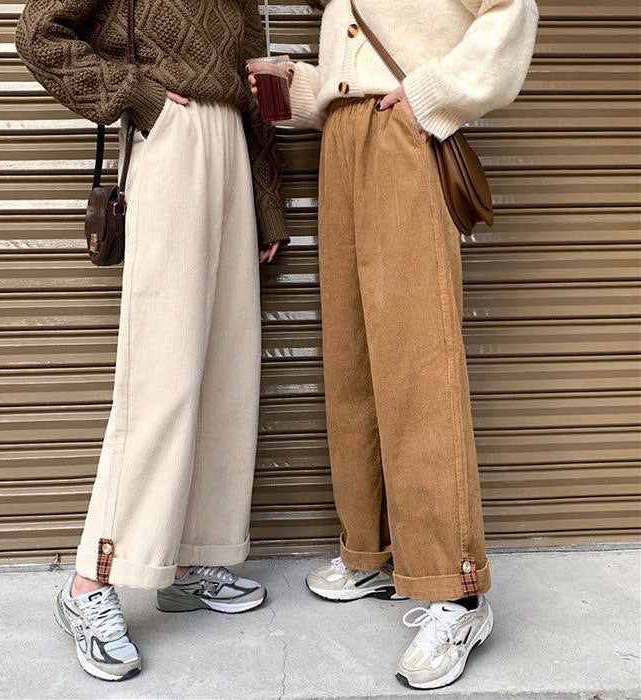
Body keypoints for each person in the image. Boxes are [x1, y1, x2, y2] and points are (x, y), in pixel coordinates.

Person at [249, 0, 538, 689]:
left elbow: (512, 11)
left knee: (417, 359)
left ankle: (457, 592)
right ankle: (372, 552)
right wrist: (310, 88)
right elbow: (364, 53)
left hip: (404, 135)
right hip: (343, 138)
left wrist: (431, 94)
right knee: (352, 360)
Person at [15, 0, 288, 681]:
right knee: (161, 374)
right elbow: (38, 33)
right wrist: (135, 95)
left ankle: (189, 559)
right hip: (170, 139)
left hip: (229, 144)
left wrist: (265, 200)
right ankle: (89, 581)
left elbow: (250, 75)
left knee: (227, 372)